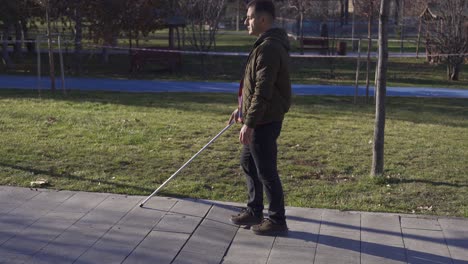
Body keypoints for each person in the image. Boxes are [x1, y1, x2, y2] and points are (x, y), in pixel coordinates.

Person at [228, 0, 291, 236]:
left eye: (249, 17)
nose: (246, 21)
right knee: (248, 162)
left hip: (265, 119)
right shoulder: (264, 44)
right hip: (259, 116)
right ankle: (254, 210)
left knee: (266, 171)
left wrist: (250, 123)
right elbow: (253, 87)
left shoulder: (269, 48)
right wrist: (241, 109)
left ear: (263, 19)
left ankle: (277, 220)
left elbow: (264, 91)